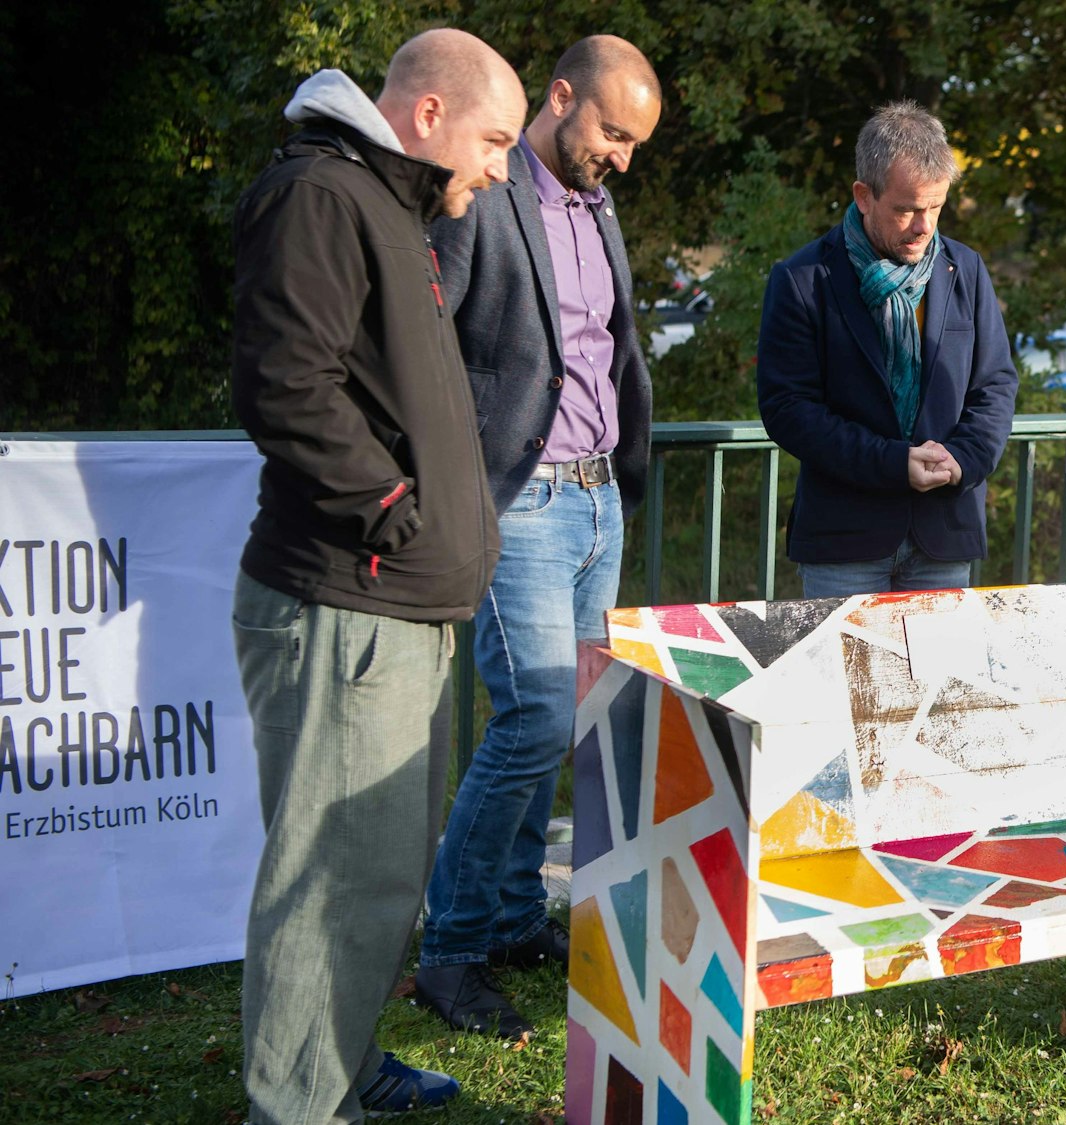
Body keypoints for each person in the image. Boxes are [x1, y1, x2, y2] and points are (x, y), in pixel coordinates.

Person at [229, 29, 525, 1121]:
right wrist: (394, 513)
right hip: (345, 601)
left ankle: (339, 1065)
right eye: (494, 140)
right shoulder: (321, 192)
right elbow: (283, 383)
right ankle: (301, 1104)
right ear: (431, 115)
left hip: (386, 605)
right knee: (331, 885)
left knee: (374, 879)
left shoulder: (380, 202)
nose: (499, 167)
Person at [414, 34, 662, 1041]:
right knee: (530, 720)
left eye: (637, 143)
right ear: (559, 98)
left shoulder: (599, 206)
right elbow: (434, 345)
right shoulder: (483, 188)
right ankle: (452, 948)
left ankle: (517, 918)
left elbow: (608, 349)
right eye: (612, 132)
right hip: (518, 505)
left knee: (567, 721)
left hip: (601, 501)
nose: (623, 157)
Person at [757, 101, 1018, 597]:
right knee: (843, 679)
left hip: (945, 534)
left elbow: (996, 386)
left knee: (939, 679)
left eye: (936, 208)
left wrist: (963, 457)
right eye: (907, 210)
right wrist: (892, 463)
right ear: (863, 195)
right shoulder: (801, 279)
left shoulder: (967, 268)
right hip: (844, 542)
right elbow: (788, 410)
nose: (924, 227)